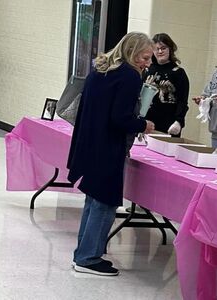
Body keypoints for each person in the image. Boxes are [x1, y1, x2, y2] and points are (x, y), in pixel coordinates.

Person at [67, 32, 155, 276]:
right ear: (132, 52)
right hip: (108, 146)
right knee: (104, 202)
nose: (147, 64)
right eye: (144, 57)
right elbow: (119, 118)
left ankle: (82, 253)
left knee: (92, 200)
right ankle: (89, 257)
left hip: (90, 141)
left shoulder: (100, 70)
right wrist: (142, 125)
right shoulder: (129, 76)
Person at [143, 33, 190, 137]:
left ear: (170, 49)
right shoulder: (147, 70)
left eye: (163, 48)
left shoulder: (178, 73)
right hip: (147, 123)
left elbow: (182, 101)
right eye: (156, 49)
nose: (160, 51)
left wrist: (179, 121)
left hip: (169, 125)